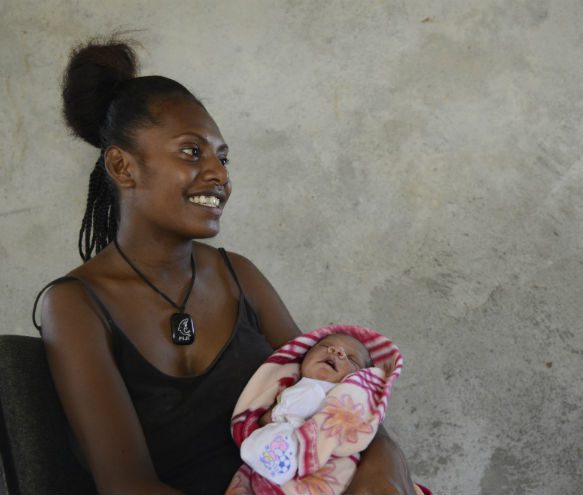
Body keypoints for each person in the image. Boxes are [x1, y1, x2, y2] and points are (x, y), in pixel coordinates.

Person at [34, 38, 418, 494]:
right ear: (122, 166)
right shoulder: (76, 305)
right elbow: (127, 486)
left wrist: (385, 461)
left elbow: (332, 392)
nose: (220, 173)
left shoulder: (238, 276)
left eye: (223, 156)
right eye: (192, 152)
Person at [240, 332, 375, 486]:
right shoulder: (291, 383)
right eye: (326, 346)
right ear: (304, 356)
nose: (337, 351)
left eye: (352, 359)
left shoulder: (342, 401)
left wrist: (272, 416)